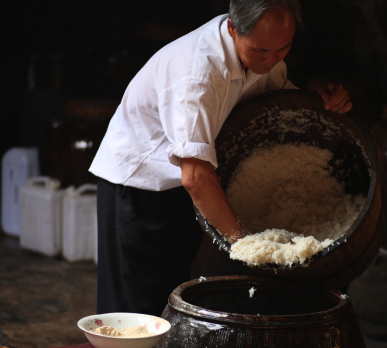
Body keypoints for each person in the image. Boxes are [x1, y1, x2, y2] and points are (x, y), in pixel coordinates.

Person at [90, 0, 352, 317]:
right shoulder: (197, 76)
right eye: (260, 51)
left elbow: (280, 105)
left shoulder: (259, 54)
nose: (271, 61)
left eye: (283, 49)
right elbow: (195, 177)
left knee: (168, 304)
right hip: (137, 184)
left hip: (179, 188)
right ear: (232, 28)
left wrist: (319, 96)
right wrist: (249, 246)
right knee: (135, 313)